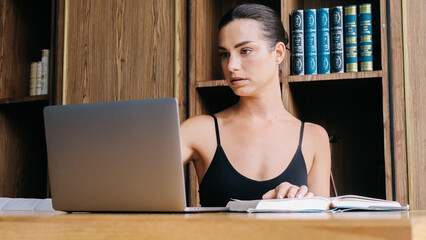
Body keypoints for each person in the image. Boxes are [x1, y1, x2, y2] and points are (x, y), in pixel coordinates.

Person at [180, 3, 331, 207]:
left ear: (278, 53)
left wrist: (300, 202)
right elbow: (133, 183)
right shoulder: (199, 130)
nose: (232, 65)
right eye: (224, 54)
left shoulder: (314, 137)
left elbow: (321, 229)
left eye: (245, 50)